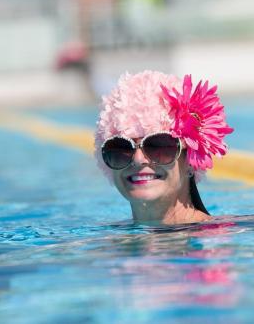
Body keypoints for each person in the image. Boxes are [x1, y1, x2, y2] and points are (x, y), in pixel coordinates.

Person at [94, 70, 234, 225]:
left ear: (190, 161)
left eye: (158, 145)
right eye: (120, 148)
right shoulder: (107, 242)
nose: (138, 159)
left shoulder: (220, 239)